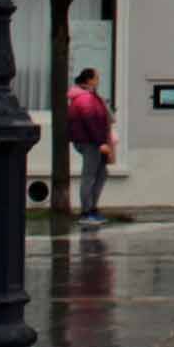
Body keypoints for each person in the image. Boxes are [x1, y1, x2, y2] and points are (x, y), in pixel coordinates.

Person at [67, 69, 114, 228]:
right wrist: (101, 142)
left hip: (93, 141)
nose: (98, 80)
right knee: (90, 175)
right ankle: (86, 212)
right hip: (90, 142)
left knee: (101, 173)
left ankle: (92, 209)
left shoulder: (90, 97)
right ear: (88, 80)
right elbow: (90, 121)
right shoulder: (85, 98)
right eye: (96, 77)